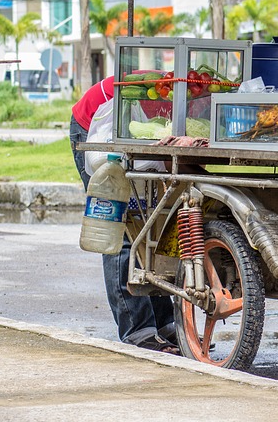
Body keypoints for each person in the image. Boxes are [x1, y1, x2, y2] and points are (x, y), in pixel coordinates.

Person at [69, 76, 179, 354]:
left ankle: (165, 323)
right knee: (119, 226)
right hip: (96, 131)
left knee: (152, 225)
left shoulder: (191, 104)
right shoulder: (157, 95)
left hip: (137, 146)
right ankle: (137, 328)